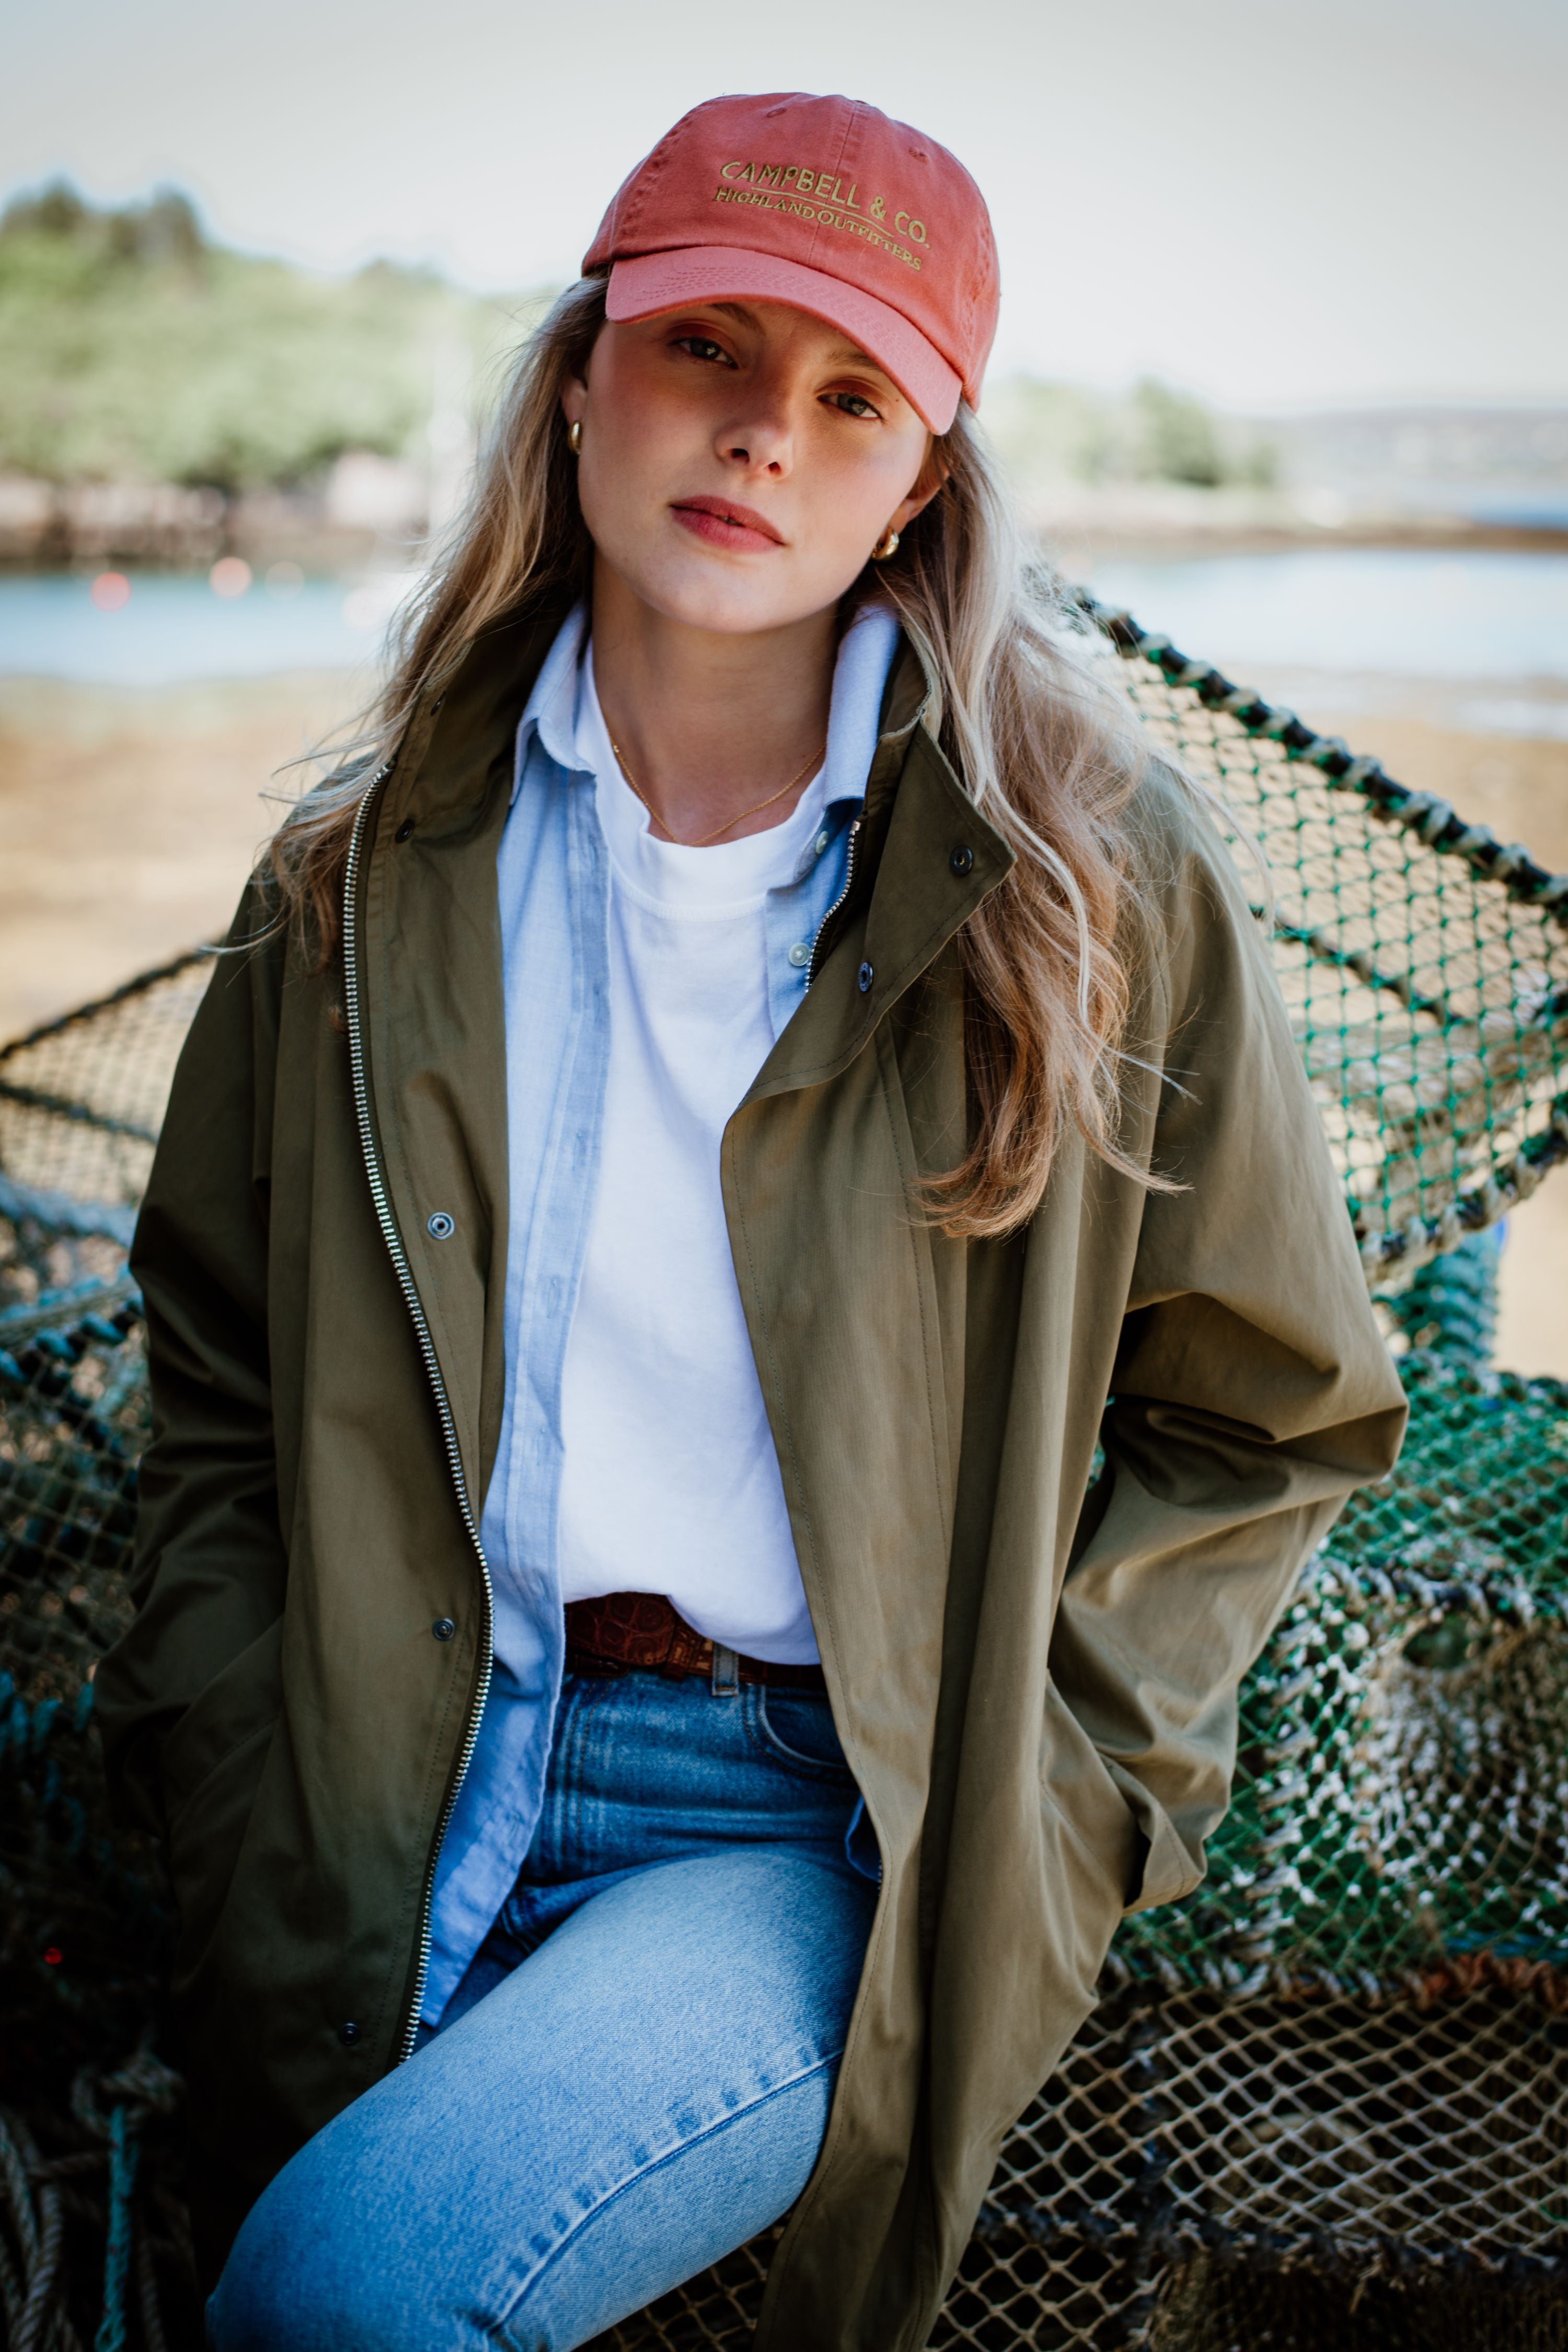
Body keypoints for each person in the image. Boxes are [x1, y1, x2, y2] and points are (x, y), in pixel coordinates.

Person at [94, 89, 1406, 2352]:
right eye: (708, 344)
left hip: (802, 1830)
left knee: (344, 2291)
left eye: (851, 394)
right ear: (582, 378)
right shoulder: (351, 878)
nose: (763, 434)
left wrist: (1056, 1811)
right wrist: (233, 1736)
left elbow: (1271, 1414)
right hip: (382, 1770)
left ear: (924, 486)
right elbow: (215, 1357)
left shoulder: (1093, 888)